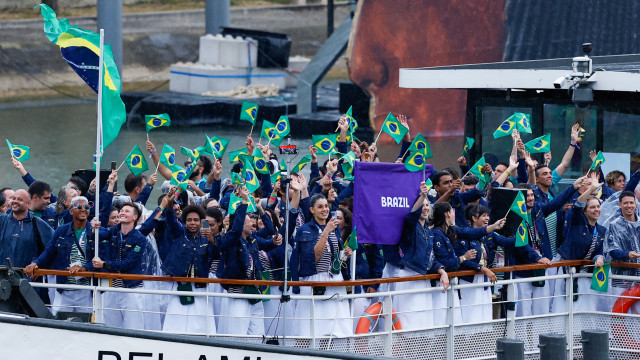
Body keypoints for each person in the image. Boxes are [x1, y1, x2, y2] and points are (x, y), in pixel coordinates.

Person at [513, 176, 585, 317]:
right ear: (518, 197)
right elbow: (521, 244)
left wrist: (573, 187)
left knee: (542, 310)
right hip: (524, 271)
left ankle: (539, 339)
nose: (531, 198)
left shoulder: (538, 209)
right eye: (527, 196)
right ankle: (521, 339)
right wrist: (536, 257)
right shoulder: (514, 216)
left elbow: (556, 203)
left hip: (542, 267)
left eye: (532, 195)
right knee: (523, 313)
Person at [458, 204, 540, 323]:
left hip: (485, 279)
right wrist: (483, 269)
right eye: (484, 216)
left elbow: (507, 242)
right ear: (474, 218)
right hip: (470, 280)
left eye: (488, 216)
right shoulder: (464, 234)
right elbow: (464, 262)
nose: (487, 218)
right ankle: (467, 340)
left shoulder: (490, 234)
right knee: (471, 313)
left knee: (485, 312)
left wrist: (521, 232)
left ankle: (483, 337)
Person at [217, 185, 281, 335]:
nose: (253, 224)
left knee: (258, 335)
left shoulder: (253, 239)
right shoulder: (231, 240)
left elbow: (270, 231)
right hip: (239, 294)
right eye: (249, 222)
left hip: (255, 293)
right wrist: (244, 202)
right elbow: (236, 229)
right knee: (238, 335)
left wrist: (260, 209)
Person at [290, 193, 353, 337]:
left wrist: (345, 253)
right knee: (308, 330)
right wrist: (325, 232)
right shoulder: (304, 230)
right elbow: (312, 258)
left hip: (335, 281)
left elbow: (334, 256)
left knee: (335, 329)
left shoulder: (335, 228)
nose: (324, 209)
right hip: (315, 282)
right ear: (312, 210)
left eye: (326, 206)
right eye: (320, 207)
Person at [431, 202, 505, 325]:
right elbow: (445, 262)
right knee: (444, 322)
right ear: (448, 214)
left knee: (456, 320)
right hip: (442, 285)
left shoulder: (452, 229)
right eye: (453, 210)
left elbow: (471, 233)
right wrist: (463, 258)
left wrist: (493, 227)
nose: (455, 213)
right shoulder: (436, 234)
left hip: (452, 283)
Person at [392, 182, 449, 330]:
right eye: (422, 205)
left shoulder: (428, 231)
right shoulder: (410, 226)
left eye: (427, 204)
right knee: (408, 322)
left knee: (423, 322)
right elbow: (411, 216)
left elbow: (430, 257)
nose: (425, 207)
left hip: (422, 277)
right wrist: (423, 195)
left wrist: (441, 270)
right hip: (409, 277)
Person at [25, 196, 94, 315]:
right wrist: (35, 263)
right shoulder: (61, 230)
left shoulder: (95, 232)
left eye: (86, 206)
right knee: (59, 323)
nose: (83, 209)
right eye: (79, 206)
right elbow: (50, 251)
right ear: (71, 211)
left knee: (86, 325)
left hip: (86, 290)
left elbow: (100, 258)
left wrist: (85, 268)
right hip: (64, 288)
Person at [160, 193, 217, 335]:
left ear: (201, 221)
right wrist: (169, 203)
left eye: (196, 220)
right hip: (180, 284)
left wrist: (211, 241)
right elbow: (171, 220)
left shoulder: (206, 237)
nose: (193, 223)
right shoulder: (179, 233)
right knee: (176, 322)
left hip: (200, 287)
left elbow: (215, 255)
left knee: (201, 323)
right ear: (185, 221)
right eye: (189, 220)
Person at [551, 172, 606, 313]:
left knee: (586, 310)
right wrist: (591, 188)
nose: (596, 210)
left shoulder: (602, 230)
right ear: (585, 211)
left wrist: (599, 257)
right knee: (564, 309)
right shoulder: (576, 221)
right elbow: (577, 206)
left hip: (586, 276)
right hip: (567, 273)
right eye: (592, 207)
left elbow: (599, 251)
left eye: (598, 207)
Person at [90, 202, 147, 330]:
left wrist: (104, 264)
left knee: (133, 327)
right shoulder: (113, 231)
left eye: (127, 211)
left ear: (135, 217)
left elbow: (129, 262)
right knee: (110, 327)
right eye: (121, 210)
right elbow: (97, 235)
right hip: (111, 288)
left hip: (131, 289)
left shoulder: (140, 239)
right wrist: (94, 228)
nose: (122, 213)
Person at [0, 189, 54, 268]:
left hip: (27, 277)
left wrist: (38, 264)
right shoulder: (2, 221)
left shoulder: (37, 223)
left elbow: (54, 246)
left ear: (28, 204)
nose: (15, 201)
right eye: (13, 198)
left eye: (20, 199)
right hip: (3, 277)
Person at [604, 190, 640, 309]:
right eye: (625, 203)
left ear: (635, 204)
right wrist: (627, 254)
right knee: (618, 312)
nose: (629, 206)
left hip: (639, 278)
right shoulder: (613, 225)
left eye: (631, 203)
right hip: (621, 279)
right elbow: (613, 251)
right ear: (620, 205)